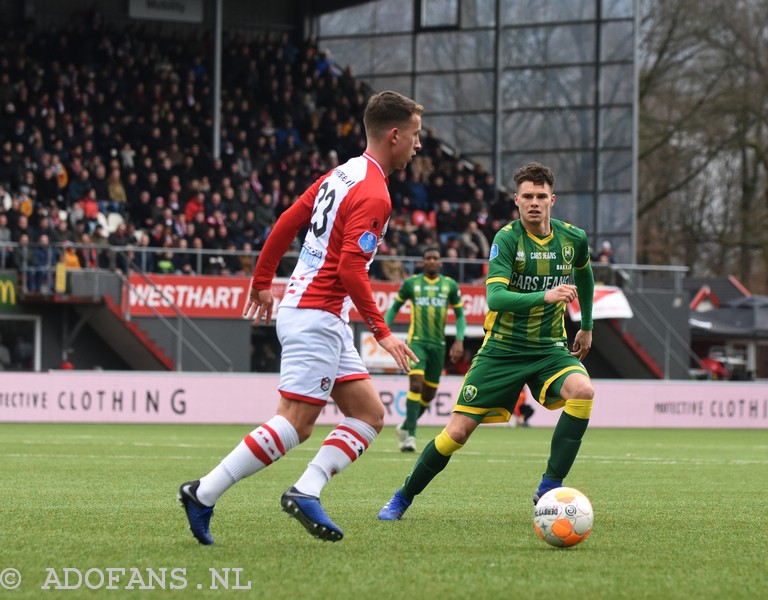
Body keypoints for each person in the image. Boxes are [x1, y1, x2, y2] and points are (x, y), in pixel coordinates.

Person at [178, 91, 424, 544]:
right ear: (395, 135)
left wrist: (261, 280)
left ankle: (306, 490)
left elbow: (288, 220)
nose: (418, 144)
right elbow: (351, 268)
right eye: (415, 135)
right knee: (295, 422)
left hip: (311, 308)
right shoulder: (374, 193)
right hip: (317, 314)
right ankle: (203, 493)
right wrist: (383, 332)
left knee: (368, 415)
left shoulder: (342, 174)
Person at [377, 161, 596, 521]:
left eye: (541, 196)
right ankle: (402, 497)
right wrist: (546, 296)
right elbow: (495, 299)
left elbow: (586, 276)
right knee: (456, 434)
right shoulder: (507, 239)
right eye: (527, 196)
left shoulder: (573, 238)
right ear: (516, 200)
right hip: (502, 351)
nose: (534, 203)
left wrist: (586, 325)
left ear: (552, 199)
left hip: (549, 349)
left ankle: (548, 486)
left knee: (584, 392)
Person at [384, 246, 466, 452]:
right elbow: (394, 308)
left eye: (435, 258)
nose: (431, 261)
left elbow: (460, 315)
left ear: (439, 262)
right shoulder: (411, 283)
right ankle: (410, 437)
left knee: (428, 395)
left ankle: (405, 425)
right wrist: (382, 332)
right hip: (417, 342)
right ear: (423, 262)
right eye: (427, 257)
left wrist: (459, 340)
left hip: (438, 345)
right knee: (416, 385)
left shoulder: (449, 285)